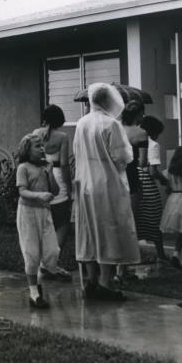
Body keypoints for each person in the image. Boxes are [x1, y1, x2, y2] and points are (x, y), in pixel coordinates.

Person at [72, 83, 139, 300]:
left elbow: (76, 152)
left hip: (86, 181)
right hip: (107, 182)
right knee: (109, 229)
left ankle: (92, 280)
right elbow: (122, 157)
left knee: (90, 229)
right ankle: (105, 282)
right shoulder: (111, 124)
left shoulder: (81, 123)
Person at [16, 131, 61, 308]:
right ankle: (34, 292)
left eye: (43, 146)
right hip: (27, 213)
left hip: (44, 213)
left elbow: (56, 191)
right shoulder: (23, 168)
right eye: (37, 146)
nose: (42, 149)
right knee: (31, 253)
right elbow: (22, 191)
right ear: (27, 150)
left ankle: (39, 277)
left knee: (52, 251)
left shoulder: (45, 168)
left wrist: (50, 173)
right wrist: (39, 195)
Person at [33, 104, 75, 279]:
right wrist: (70, 186)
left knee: (46, 223)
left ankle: (44, 261)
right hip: (57, 177)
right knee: (62, 222)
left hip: (39, 177)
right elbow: (64, 164)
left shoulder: (35, 133)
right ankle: (51, 263)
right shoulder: (62, 136)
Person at [136, 115, 169, 263]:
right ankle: (161, 254)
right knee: (154, 218)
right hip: (147, 184)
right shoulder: (153, 145)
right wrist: (165, 180)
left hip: (134, 182)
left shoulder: (134, 141)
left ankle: (134, 255)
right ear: (154, 133)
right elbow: (153, 171)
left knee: (137, 219)